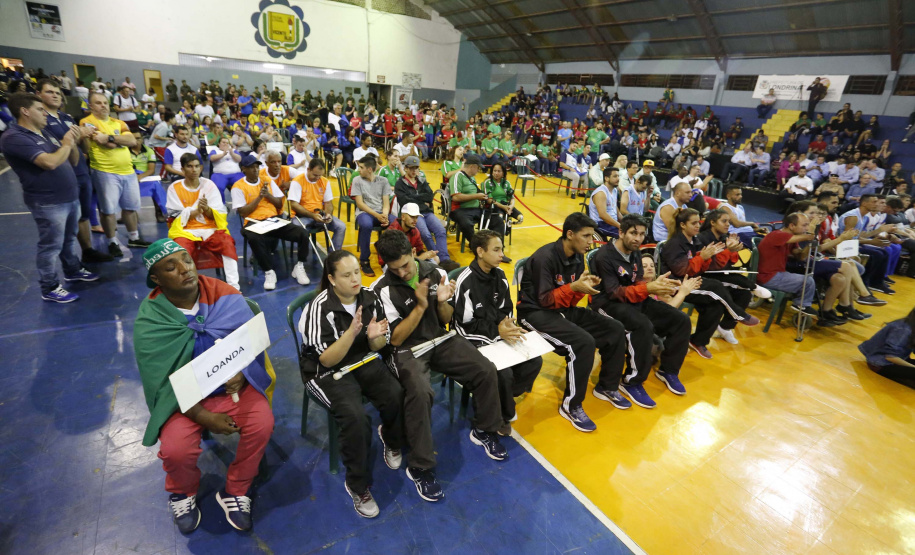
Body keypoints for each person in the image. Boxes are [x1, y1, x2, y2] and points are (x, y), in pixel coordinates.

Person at [133, 239, 276, 533]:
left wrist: (242, 370)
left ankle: (236, 489)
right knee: (175, 449)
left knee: (262, 424)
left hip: (231, 388)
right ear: (156, 279)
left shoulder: (224, 294)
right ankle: (182, 492)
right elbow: (160, 382)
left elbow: (252, 344)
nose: (184, 269)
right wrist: (202, 415)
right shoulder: (151, 320)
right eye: (170, 267)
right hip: (183, 401)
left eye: (186, 260)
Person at [371, 230, 508, 502]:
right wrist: (421, 306)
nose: (401, 273)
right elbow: (395, 338)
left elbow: (445, 319)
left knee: (485, 368)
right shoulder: (381, 289)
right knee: (421, 393)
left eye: (405, 265)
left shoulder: (436, 273)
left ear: (413, 252)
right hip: (406, 350)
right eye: (394, 269)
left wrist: (442, 302)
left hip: (438, 338)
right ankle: (420, 466)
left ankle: (484, 429)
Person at [299, 250, 405, 518]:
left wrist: (374, 338)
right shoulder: (318, 308)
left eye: (357, 271)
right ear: (332, 279)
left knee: (395, 392)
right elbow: (325, 358)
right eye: (347, 275)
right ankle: (358, 485)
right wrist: (352, 332)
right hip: (325, 372)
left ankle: (391, 439)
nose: (355, 279)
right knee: (356, 418)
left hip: (362, 359)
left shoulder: (370, 297)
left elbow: (379, 344)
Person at [516, 213, 629, 432]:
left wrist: (582, 288)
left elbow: (569, 297)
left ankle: (607, 386)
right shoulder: (544, 258)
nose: (590, 241)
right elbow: (546, 300)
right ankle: (572, 405)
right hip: (534, 314)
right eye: (586, 236)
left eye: (591, 236)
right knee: (583, 342)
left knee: (614, 328)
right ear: (570, 234)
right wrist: (574, 288)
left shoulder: (578, 258)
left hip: (562, 310)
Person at [0, 92, 99, 303]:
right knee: (51, 245)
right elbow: (49, 163)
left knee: (68, 239)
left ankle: (72, 270)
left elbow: (71, 161)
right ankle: (49, 287)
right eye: (40, 109)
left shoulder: (45, 132)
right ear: (25, 111)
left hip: (68, 196)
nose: (45, 113)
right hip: (48, 201)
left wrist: (72, 143)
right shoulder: (14, 137)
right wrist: (65, 142)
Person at [590, 214, 692, 402]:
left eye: (642, 234)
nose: (638, 238)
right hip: (607, 304)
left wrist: (655, 285)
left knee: (680, 320)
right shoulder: (604, 256)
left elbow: (636, 281)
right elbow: (614, 292)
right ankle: (631, 381)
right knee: (642, 326)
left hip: (634, 299)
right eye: (633, 233)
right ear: (621, 233)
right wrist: (647, 288)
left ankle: (668, 370)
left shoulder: (635, 251)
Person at [451, 230, 542, 424]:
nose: (502, 254)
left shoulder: (500, 275)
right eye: (496, 249)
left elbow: (506, 309)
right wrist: (495, 334)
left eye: (502, 249)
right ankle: (502, 414)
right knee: (504, 372)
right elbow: (462, 326)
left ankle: (504, 398)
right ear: (480, 252)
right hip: (471, 339)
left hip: (497, 334)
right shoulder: (466, 282)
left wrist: (508, 327)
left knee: (534, 360)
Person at [659, 208, 760, 358]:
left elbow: (702, 268)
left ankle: (698, 341)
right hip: (676, 284)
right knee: (715, 287)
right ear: (682, 225)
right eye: (693, 223)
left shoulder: (695, 240)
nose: (697, 226)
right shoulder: (674, 244)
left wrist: (705, 258)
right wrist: (702, 257)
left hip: (692, 280)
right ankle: (738, 314)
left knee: (716, 302)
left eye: (698, 222)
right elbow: (681, 271)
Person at [36, 79, 113, 263]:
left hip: (80, 171)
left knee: (84, 214)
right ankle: (68, 263)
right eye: (49, 92)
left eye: (57, 92)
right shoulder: (40, 119)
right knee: (65, 220)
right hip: (60, 175)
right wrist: (74, 136)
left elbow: (83, 148)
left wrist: (85, 135)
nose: (55, 95)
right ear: (38, 94)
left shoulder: (67, 118)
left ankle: (87, 250)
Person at [80, 91, 151, 256]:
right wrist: (117, 140)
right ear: (90, 106)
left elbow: (132, 141)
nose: (103, 105)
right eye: (98, 103)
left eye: (105, 102)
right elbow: (106, 143)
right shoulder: (87, 122)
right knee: (108, 210)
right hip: (105, 171)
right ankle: (112, 241)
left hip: (128, 170)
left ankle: (134, 237)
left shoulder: (118, 122)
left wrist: (110, 138)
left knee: (130, 207)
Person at [232, 154, 312, 290]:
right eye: (252, 168)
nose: (256, 170)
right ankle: (269, 272)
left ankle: (299, 266)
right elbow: (243, 212)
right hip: (252, 221)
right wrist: (259, 197)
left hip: (272, 219)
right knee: (254, 238)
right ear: (244, 169)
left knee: (303, 233)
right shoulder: (238, 187)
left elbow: (280, 204)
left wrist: (268, 195)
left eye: (257, 167)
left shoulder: (266, 180)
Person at [696, 209, 772, 341]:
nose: (727, 224)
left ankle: (725, 327)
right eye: (724, 221)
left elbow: (732, 262)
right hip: (705, 275)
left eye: (729, 221)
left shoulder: (726, 237)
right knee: (731, 281)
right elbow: (711, 265)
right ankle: (753, 287)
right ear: (713, 222)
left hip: (720, 274)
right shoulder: (703, 238)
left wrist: (734, 250)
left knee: (744, 294)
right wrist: (728, 250)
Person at [166, 153, 239, 290]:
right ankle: (187, 288)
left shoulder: (209, 185)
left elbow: (219, 213)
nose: (194, 170)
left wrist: (206, 209)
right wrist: (196, 211)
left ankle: (234, 287)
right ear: (182, 170)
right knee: (180, 252)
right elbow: (174, 216)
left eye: (196, 166)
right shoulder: (174, 188)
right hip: (185, 230)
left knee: (227, 244)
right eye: (189, 166)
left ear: (200, 168)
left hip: (210, 228)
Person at [395, 156, 458, 271]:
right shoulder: (400, 184)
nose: (414, 171)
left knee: (441, 231)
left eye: (416, 168)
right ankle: (436, 259)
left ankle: (444, 259)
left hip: (426, 212)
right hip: (413, 215)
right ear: (406, 168)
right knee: (425, 234)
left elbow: (429, 196)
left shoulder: (422, 180)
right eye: (411, 168)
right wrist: (421, 200)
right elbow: (404, 201)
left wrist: (414, 198)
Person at [756, 212, 822, 319]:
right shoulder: (777, 235)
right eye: (804, 225)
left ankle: (801, 304)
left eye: (807, 225)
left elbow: (800, 256)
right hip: (768, 277)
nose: (806, 228)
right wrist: (812, 229)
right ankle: (801, 305)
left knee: (808, 279)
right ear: (792, 226)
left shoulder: (791, 239)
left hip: (778, 274)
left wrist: (809, 246)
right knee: (808, 281)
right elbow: (808, 236)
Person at [350, 155, 391, 277]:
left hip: (380, 212)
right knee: (366, 225)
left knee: (396, 223)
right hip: (365, 213)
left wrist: (385, 215)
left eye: (361, 167)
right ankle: (364, 260)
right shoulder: (357, 180)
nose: (358, 170)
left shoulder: (383, 181)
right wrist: (377, 216)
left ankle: (390, 256)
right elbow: (360, 204)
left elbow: (386, 203)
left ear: (369, 169)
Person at [859, 308, 915, 388]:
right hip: (881, 364)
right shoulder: (903, 329)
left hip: (899, 358)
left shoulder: (911, 325)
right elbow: (891, 357)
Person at [448, 153, 486, 246]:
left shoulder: (472, 178)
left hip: (475, 209)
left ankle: (495, 247)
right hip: (460, 210)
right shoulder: (458, 176)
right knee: (466, 224)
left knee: (494, 218)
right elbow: (456, 197)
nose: (479, 170)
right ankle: (476, 246)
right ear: (472, 166)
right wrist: (477, 196)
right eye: (478, 167)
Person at [481, 161, 521, 242]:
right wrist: (504, 207)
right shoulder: (488, 182)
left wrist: (511, 206)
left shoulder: (506, 183)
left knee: (520, 217)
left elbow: (512, 198)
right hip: (494, 206)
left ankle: (510, 223)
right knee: (500, 217)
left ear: (503, 173)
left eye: (499, 171)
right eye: (494, 171)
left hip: (506, 205)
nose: (496, 173)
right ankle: (500, 243)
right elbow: (489, 200)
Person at [588, 166, 621, 239]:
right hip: (601, 224)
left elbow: (614, 206)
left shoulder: (614, 190)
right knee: (627, 235)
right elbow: (603, 215)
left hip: (612, 222)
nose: (618, 179)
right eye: (615, 176)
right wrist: (619, 225)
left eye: (618, 176)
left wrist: (624, 220)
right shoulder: (601, 193)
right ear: (606, 178)